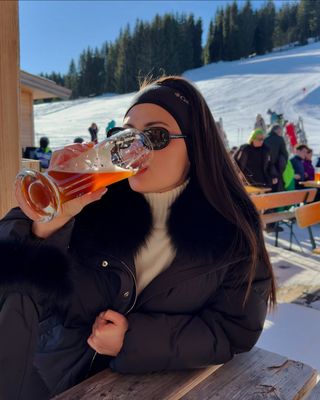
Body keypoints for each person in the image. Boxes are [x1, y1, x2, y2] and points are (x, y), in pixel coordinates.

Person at [0, 76, 276, 399]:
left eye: (155, 136)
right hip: (46, 380)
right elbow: (18, 289)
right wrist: (52, 220)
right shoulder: (95, 202)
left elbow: (235, 329)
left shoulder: (232, 232)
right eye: (126, 135)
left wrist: (133, 340)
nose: (135, 148)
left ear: (196, 146)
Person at [264, 124, 288, 192]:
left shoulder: (265, 139)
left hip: (266, 170)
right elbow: (284, 154)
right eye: (281, 131)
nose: (281, 133)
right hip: (277, 170)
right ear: (277, 130)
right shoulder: (279, 139)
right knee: (278, 190)